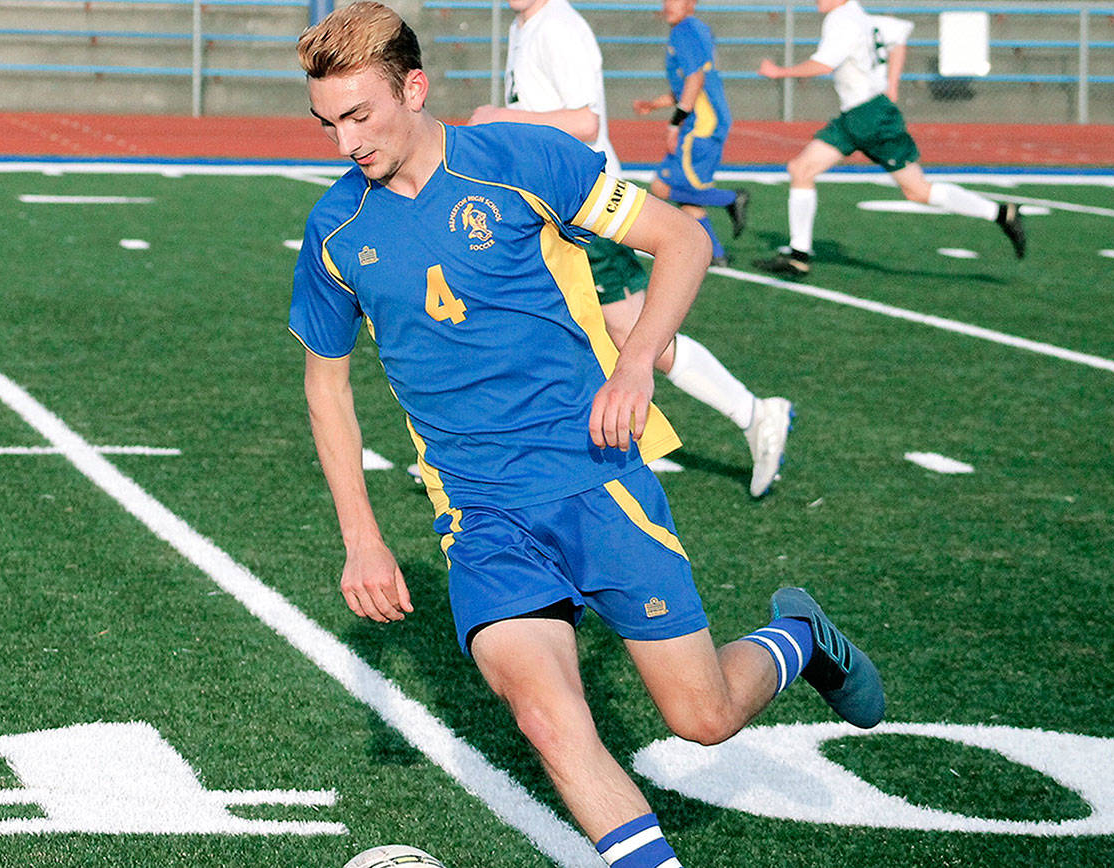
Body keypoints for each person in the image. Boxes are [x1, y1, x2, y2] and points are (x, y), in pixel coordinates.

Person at [290, 4, 885, 866]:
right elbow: (327, 387)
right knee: (548, 722)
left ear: (412, 89)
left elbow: (681, 240)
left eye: (359, 115)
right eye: (327, 123)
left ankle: (800, 638)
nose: (345, 142)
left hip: (595, 478)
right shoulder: (336, 232)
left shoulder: (522, 161)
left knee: (703, 717)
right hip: (480, 514)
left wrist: (636, 361)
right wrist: (362, 539)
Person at [468, 0, 792, 499]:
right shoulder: (525, 23)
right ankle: (477, 451)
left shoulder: (559, 25)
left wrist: (498, 118)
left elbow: (585, 123)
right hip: (543, 203)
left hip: (582, 204)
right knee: (515, 317)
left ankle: (754, 413)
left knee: (636, 337)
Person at [754, 0, 1025, 277]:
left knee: (917, 191)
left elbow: (824, 64)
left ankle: (1002, 214)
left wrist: (779, 72)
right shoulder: (859, 16)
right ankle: (799, 256)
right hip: (859, 114)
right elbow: (899, 35)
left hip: (871, 118)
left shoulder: (842, 19)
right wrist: (891, 85)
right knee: (801, 169)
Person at [633, 0, 749, 268]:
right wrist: (655, 104)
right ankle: (716, 255)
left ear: (692, 3)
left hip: (701, 126)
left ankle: (731, 198)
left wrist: (674, 124)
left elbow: (695, 80)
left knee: (663, 186)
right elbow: (688, 87)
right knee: (686, 197)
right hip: (707, 122)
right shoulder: (695, 29)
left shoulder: (684, 30)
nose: (670, 5)